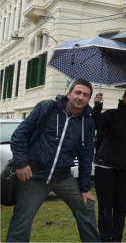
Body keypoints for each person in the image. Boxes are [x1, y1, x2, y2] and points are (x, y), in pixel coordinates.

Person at [7, 79, 100, 243]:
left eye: (86, 95)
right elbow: (19, 136)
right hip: (34, 177)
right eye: (77, 93)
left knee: (87, 206)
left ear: (89, 99)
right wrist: (21, 163)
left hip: (63, 178)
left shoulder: (88, 122)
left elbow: (86, 157)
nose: (80, 97)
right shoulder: (46, 108)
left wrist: (85, 188)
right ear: (69, 94)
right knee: (21, 222)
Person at [92, 86, 126, 243]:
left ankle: (117, 238)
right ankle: (105, 238)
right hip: (105, 166)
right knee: (105, 207)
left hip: (125, 168)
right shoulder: (112, 114)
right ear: (124, 97)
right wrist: (97, 106)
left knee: (121, 207)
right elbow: (97, 125)